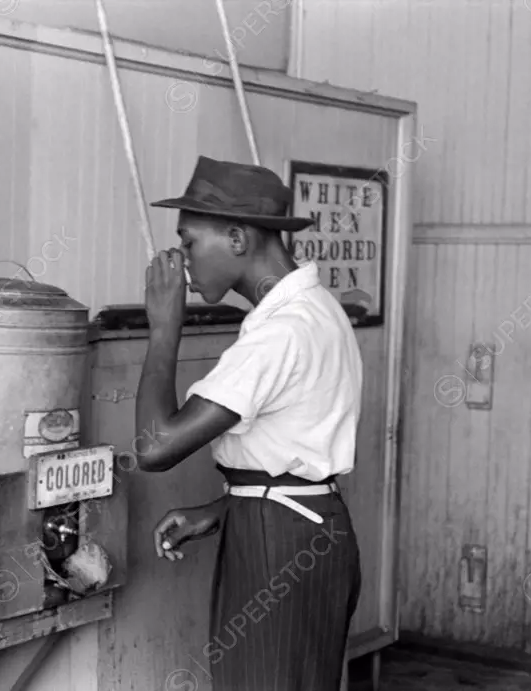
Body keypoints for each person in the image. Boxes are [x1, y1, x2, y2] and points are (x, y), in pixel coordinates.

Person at [133, 156, 363, 691]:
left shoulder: (281, 331)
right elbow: (296, 453)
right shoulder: (317, 310)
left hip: (279, 545)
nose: (183, 261)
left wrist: (164, 327)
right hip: (307, 524)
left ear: (237, 238)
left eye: (189, 242)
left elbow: (154, 445)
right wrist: (223, 510)